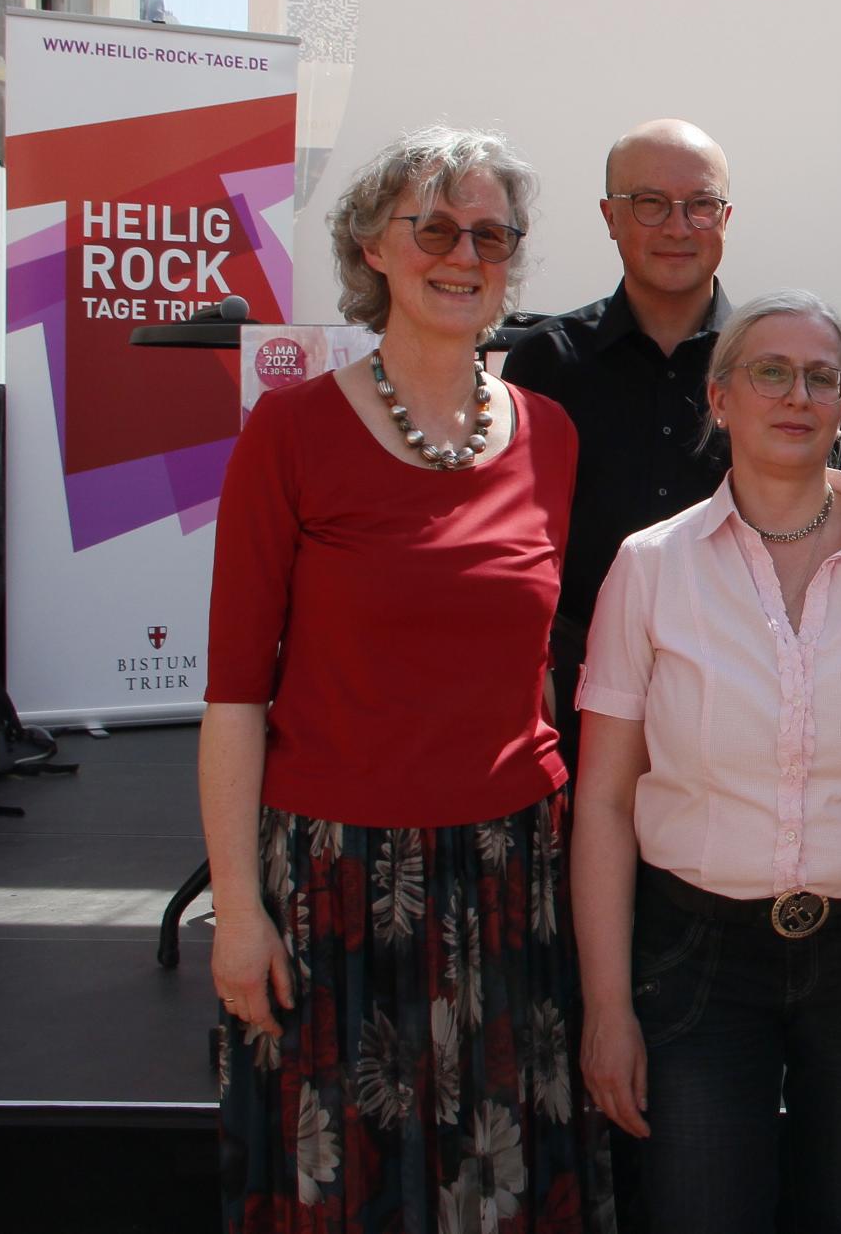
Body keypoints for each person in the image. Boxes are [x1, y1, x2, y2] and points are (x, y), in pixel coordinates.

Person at [202, 125, 609, 1232]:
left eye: (490, 232)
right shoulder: (287, 433)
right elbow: (236, 695)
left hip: (509, 875)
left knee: (501, 1192)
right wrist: (238, 913)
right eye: (432, 226)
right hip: (334, 883)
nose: (462, 252)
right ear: (372, 247)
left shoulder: (553, 438)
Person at [571, 290, 841, 1234]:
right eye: (770, 371)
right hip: (696, 958)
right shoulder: (650, 567)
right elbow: (602, 798)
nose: (796, 395)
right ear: (720, 400)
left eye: (820, 376)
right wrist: (607, 1003)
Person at [503, 119, 735, 771]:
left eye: (701, 204)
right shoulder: (544, 363)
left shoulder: (765, 365)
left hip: (734, 699)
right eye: (650, 203)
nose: (678, 226)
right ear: (610, 216)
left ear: (727, 216)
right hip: (573, 702)